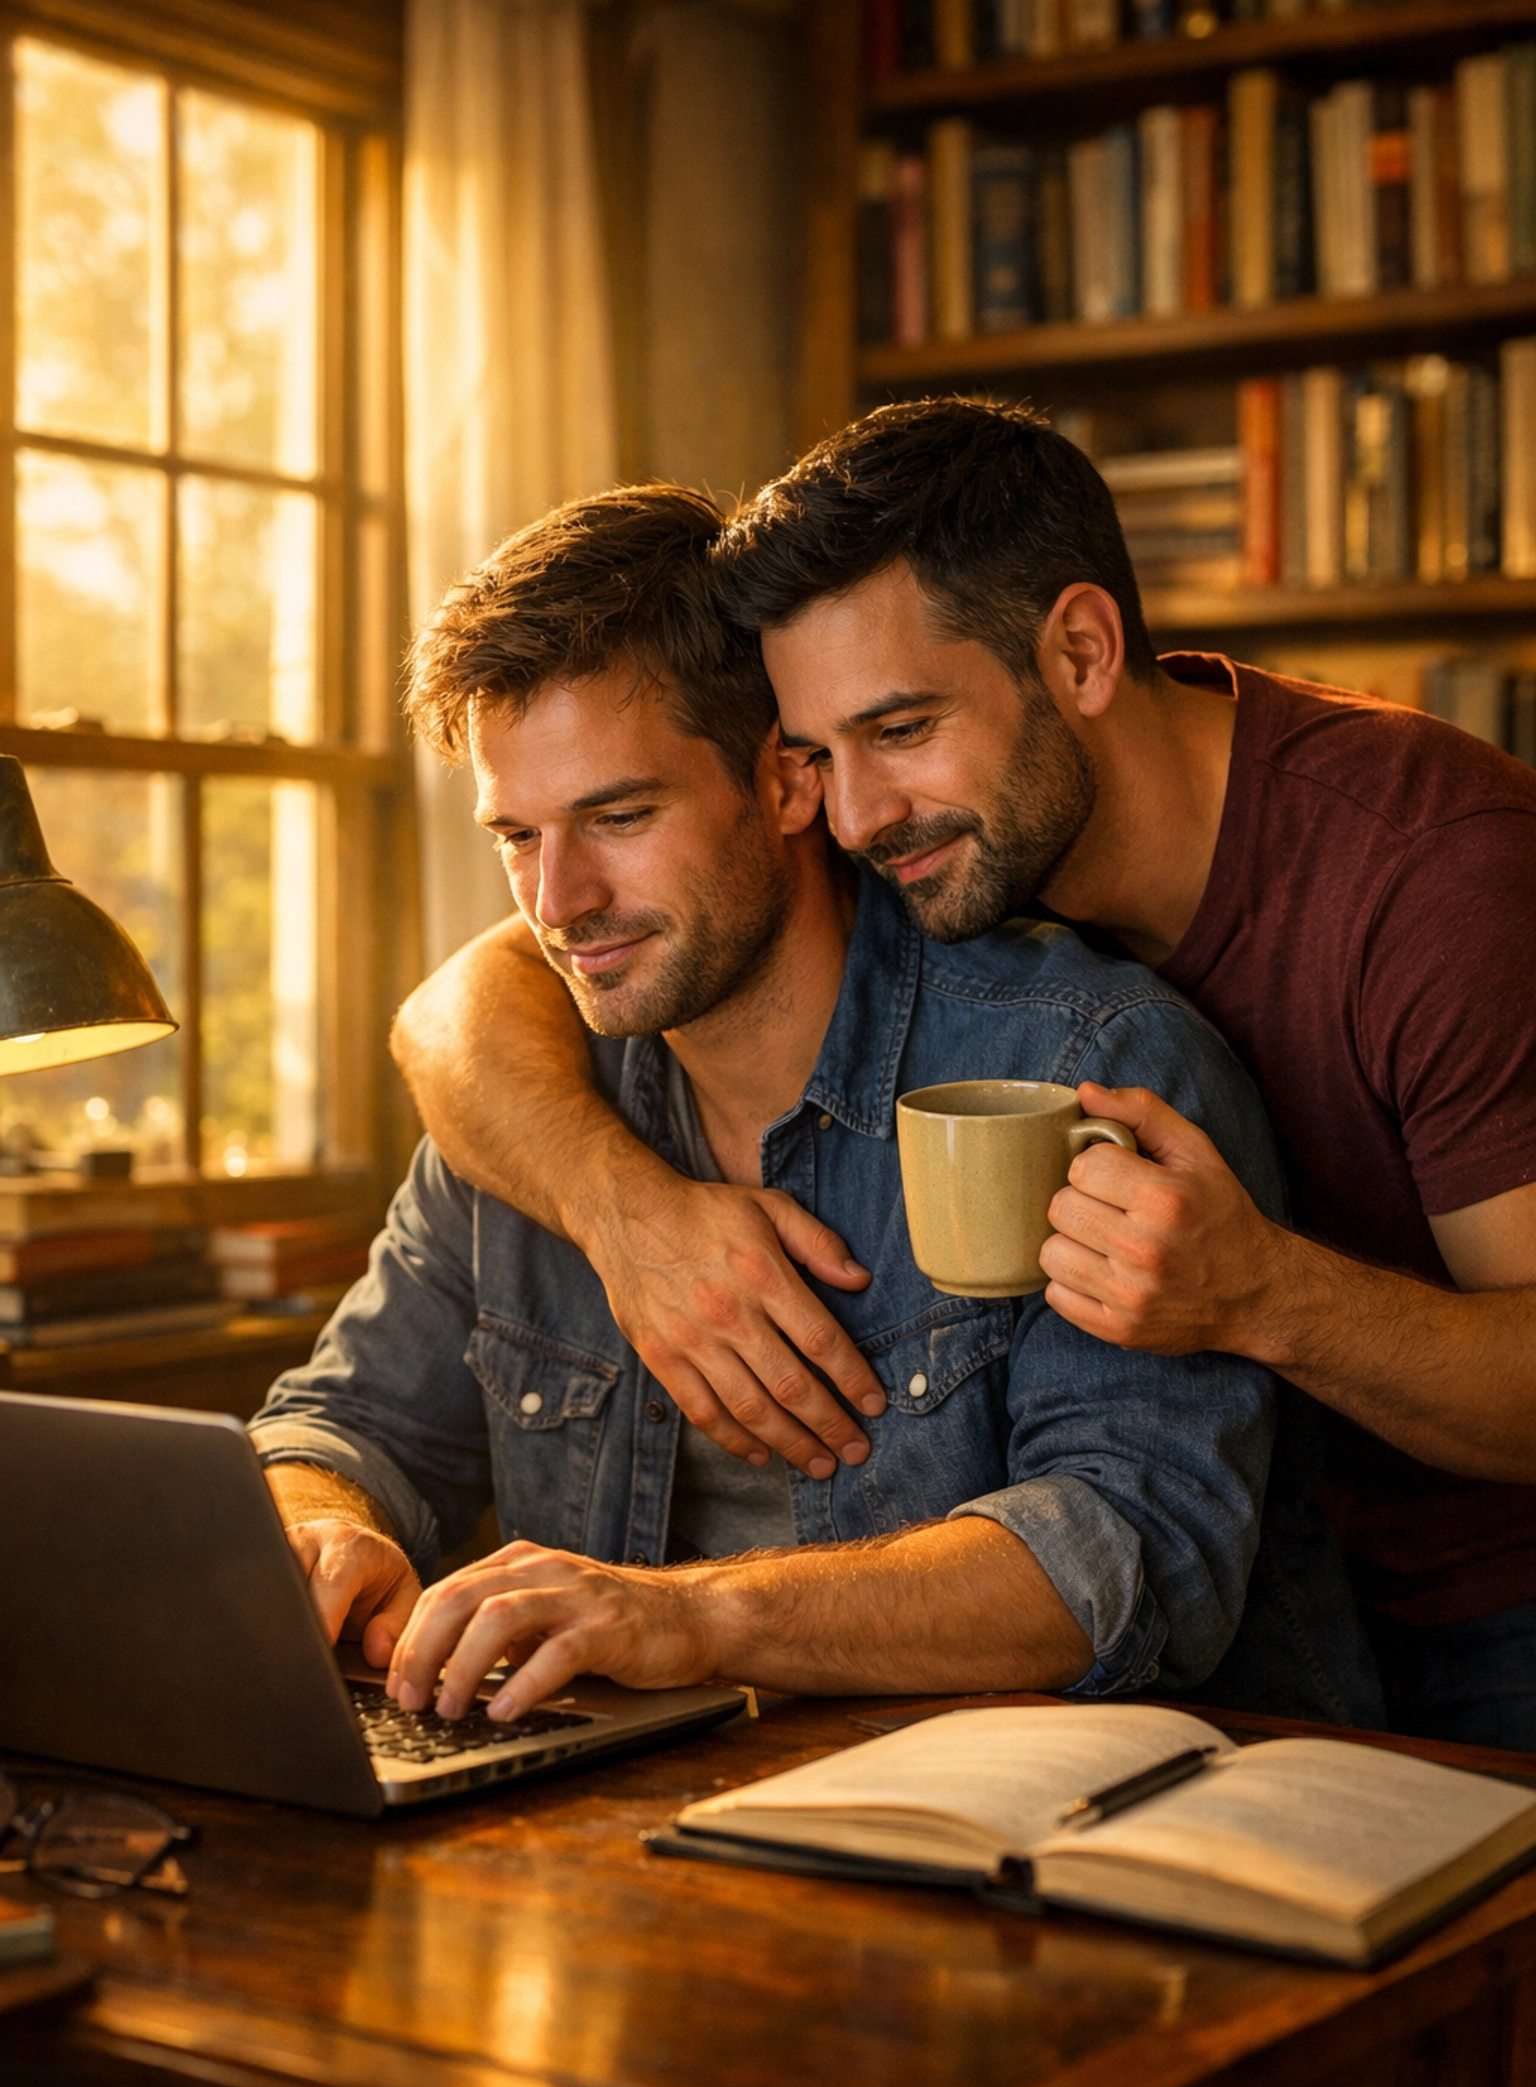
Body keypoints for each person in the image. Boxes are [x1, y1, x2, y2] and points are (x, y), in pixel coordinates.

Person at [392, 399, 1536, 1750]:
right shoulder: (945, 861)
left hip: (1488, 1600)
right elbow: (481, 995)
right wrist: (620, 1210)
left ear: (1082, 652)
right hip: (1274, 1563)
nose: (860, 816)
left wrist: (1263, 1293)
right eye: (821, 753)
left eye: (903, 729)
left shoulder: (1431, 875)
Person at [252, 482, 1302, 1727]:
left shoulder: (1080, 1066)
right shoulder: (535, 1106)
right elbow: (338, 1422)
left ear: (792, 782)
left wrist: (685, 1618)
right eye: (517, 836)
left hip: (1029, 1840)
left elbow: (1126, 1553)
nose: (560, 899)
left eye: (619, 816)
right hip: (625, 1832)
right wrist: (322, 1528)